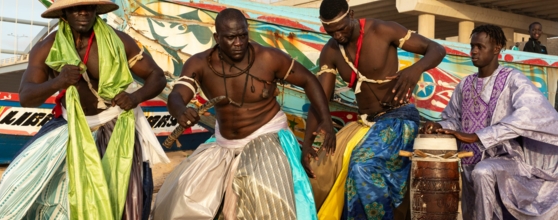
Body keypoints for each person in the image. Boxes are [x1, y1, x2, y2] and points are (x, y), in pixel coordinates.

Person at [152, 8, 336, 220]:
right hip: (225, 144)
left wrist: (326, 120)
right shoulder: (200, 63)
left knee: (260, 191)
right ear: (216, 38)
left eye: (242, 35)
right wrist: (181, 111)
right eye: (230, 37)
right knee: (183, 195)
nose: (238, 42)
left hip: (267, 137)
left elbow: (308, 80)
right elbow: (176, 96)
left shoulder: (268, 58)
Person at [0, 0, 169, 219]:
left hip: (116, 126)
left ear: (97, 9)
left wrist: (135, 97)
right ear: (64, 12)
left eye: (89, 6)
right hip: (71, 126)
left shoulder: (119, 41)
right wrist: (57, 82)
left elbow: (157, 76)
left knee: (121, 200)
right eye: (76, 7)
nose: (83, 11)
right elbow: (26, 97)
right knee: (16, 183)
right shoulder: (47, 47)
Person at [301, 0, 446, 219]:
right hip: (365, 125)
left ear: (351, 14)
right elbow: (320, 98)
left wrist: (415, 70)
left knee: (362, 166)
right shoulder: (331, 50)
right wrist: (308, 145)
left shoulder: (383, 30)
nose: (337, 36)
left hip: (398, 119)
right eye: (331, 32)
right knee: (319, 171)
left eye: (341, 29)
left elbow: (437, 49)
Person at [422, 24, 558, 219]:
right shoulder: (464, 84)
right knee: (472, 207)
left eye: (480, 46)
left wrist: (478, 136)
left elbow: (530, 113)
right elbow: (454, 119)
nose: (474, 51)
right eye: (472, 46)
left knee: (484, 171)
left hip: (507, 159)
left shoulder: (513, 79)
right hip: (468, 162)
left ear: (496, 49)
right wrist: (440, 126)